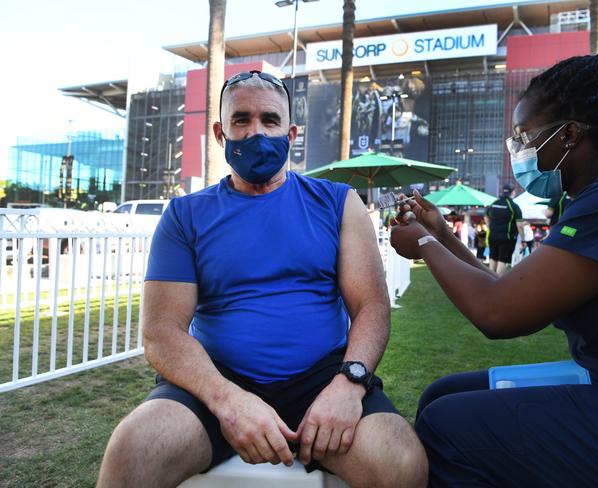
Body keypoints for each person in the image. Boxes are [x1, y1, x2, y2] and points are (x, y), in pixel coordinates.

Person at [97, 71, 427, 488]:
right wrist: (227, 401)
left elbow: (371, 306)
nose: (256, 132)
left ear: (290, 134)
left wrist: (350, 383)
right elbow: (162, 331)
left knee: (400, 462)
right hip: (215, 380)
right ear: (221, 132)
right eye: (242, 120)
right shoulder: (185, 215)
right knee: (133, 450)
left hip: (324, 378)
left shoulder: (338, 203)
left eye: (270, 120)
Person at [389, 46, 598, 487]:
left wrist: (426, 243)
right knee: (442, 393)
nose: (517, 150)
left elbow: (499, 314)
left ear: (569, 135)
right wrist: (445, 234)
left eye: (523, 137)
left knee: (448, 425)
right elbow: (513, 293)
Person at [485, 183, 524, 275]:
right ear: (513, 193)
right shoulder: (513, 206)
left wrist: (490, 227)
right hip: (506, 238)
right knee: (502, 260)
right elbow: (520, 225)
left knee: (493, 258)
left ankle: (489, 280)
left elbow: (486, 217)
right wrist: (523, 238)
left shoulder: (494, 204)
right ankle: (498, 282)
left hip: (493, 236)